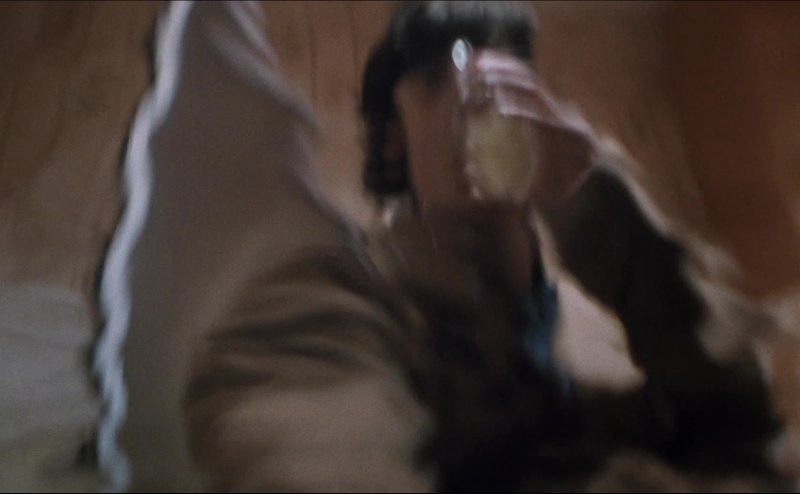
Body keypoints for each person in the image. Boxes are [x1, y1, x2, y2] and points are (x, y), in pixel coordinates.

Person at [96, 0, 784, 491]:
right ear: (394, 136)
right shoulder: (331, 314)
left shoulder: (571, 384)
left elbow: (745, 431)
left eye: (507, 71)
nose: (474, 99)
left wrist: (599, 206)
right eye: (433, 81)